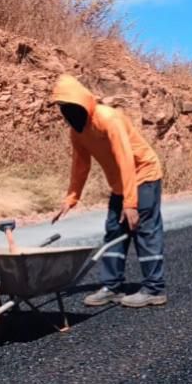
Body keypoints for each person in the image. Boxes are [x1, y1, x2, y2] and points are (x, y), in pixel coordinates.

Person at [49, 74, 166, 308]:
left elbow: (125, 158)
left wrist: (131, 204)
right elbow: (80, 165)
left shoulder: (108, 119)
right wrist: (72, 197)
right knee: (114, 231)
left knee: (142, 229)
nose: (68, 113)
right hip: (120, 183)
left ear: (83, 103)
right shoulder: (77, 131)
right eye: (64, 108)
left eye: (72, 107)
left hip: (143, 174)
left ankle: (154, 289)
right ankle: (112, 286)